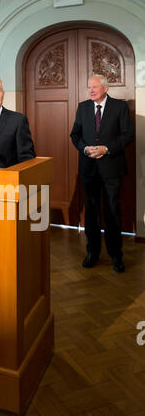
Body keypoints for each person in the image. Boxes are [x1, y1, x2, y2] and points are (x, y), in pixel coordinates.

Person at [70, 74, 134, 273]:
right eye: (89, 87)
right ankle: (93, 253)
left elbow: (127, 135)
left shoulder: (119, 107)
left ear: (105, 88)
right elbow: (75, 135)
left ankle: (116, 255)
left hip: (112, 168)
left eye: (95, 87)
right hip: (88, 168)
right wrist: (85, 149)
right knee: (91, 212)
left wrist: (106, 149)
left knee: (112, 212)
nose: (91, 90)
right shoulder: (83, 107)